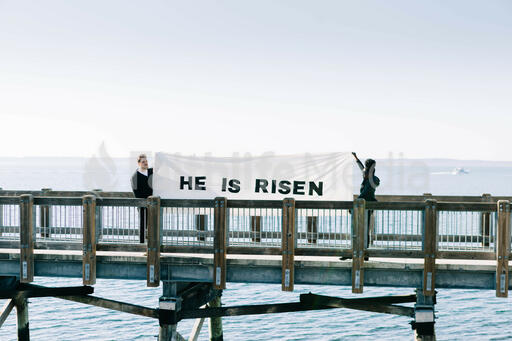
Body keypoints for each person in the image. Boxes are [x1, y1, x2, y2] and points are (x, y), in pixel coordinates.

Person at [353, 152, 379, 253]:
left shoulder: (372, 179)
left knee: (364, 229)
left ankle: (364, 251)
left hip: (366, 206)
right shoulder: (366, 174)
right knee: (361, 229)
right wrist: (355, 158)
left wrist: (357, 202)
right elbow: (361, 167)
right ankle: (359, 250)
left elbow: (366, 193)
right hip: (363, 205)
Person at [131, 154, 153, 243]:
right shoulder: (135, 176)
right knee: (143, 225)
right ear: (139, 163)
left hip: (153, 203)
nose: (145, 163)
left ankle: (152, 245)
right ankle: (142, 244)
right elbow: (136, 193)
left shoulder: (151, 172)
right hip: (143, 204)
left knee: (153, 225)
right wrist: (144, 202)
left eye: (146, 161)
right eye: (143, 162)